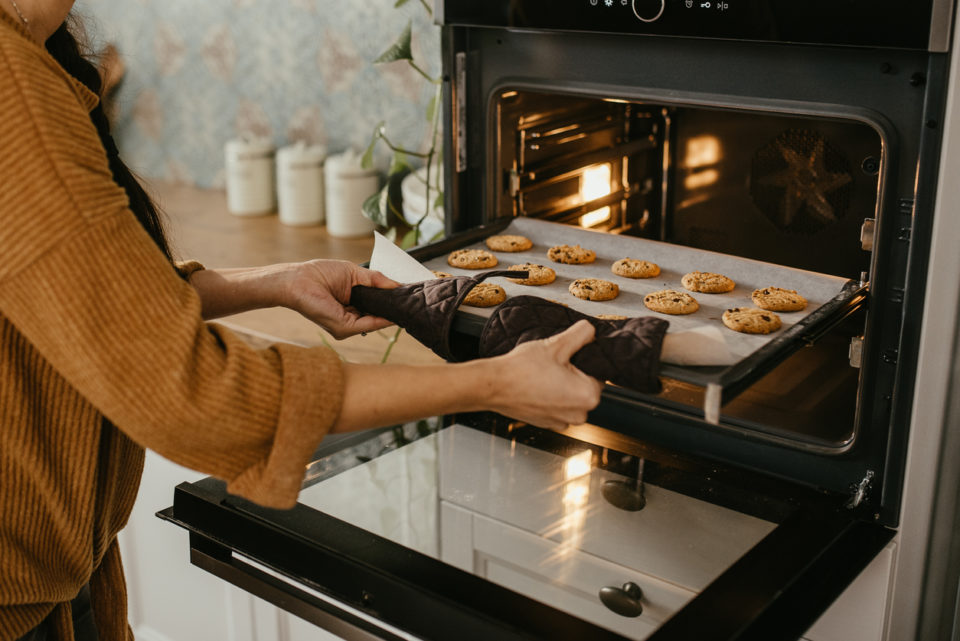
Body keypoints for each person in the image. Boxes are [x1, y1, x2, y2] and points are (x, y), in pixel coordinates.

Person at [0, 2, 605, 639]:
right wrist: (495, 383)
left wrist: (279, 282)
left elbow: (86, 299)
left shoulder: (30, 59)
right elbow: (197, 394)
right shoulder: (13, 85)